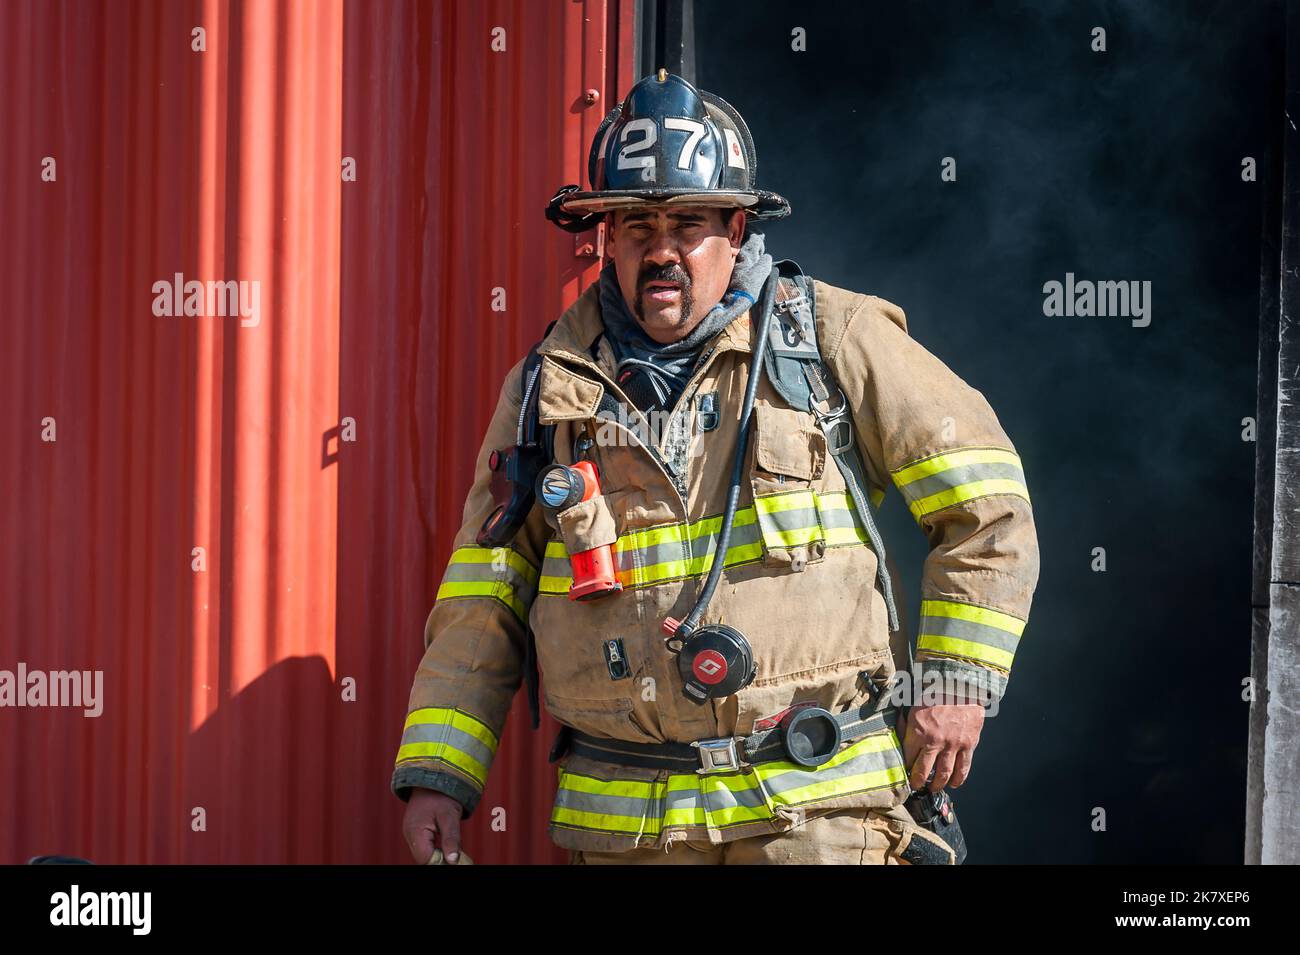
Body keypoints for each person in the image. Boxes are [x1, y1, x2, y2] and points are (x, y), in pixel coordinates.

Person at [394, 70, 1040, 865]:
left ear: (735, 229)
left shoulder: (833, 341)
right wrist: (440, 773)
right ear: (606, 236)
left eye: (687, 224)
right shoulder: (548, 388)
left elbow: (987, 507)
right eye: (636, 226)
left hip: (815, 815)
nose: (660, 251)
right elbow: (485, 590)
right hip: (633, 829)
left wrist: (954, 685)